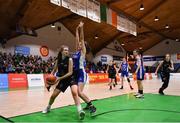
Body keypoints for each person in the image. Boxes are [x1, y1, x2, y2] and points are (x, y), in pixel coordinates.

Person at [42, 45, 85, 120]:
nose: (67, 51)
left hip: (71, 78)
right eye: (65, 50)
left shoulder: (70, 60)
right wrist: (49, 80)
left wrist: (59, 78)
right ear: (61, 52)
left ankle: (80, 111)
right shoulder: (58, 60)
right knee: (53, 96)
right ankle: (48, 107)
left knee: (75, 93)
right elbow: (54, 71)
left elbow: (70, 72)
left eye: (67, 50)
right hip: (63, 80)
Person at [72, 22, 96, 114]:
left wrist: (81, 28)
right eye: (79, 44)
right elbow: (77, 39)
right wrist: (76, 29)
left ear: (84, 46)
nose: (79, 45)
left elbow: (81, 38)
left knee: (79, 92)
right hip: (76, 74)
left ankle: (92, 106)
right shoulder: (76, 51)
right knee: (78, 92)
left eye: (81, 44)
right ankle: (88, 103)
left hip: (82, 73)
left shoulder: (83, 52)